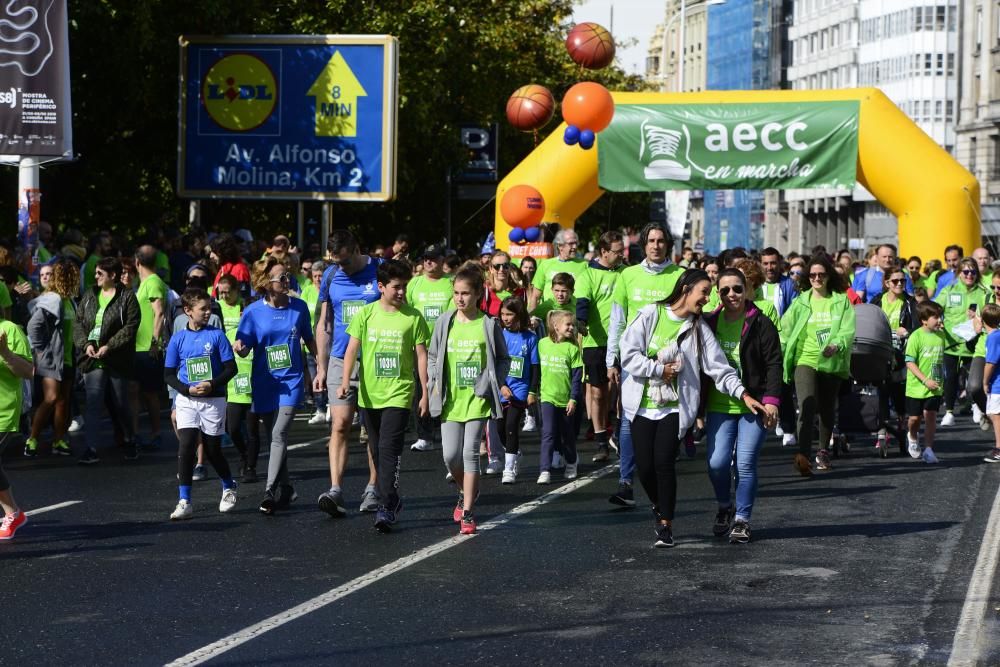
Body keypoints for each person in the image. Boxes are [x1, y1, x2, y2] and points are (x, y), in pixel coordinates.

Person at [620, 269, 765, 548]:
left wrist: (743, 393)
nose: (707, 299)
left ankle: (666, 525)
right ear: (686, 289)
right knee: (645, 467)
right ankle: (658, 505)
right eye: (704, 293)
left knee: (663, 463)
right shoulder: (651, 314)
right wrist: (659, 369)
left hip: (676, 408)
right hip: (641, 406)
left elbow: (720, 369)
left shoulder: (699, 329)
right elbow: (628, 354)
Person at [339, 260, 430, 532]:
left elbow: (421, 356)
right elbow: (352, 350)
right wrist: (346, 381)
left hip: (399, 394)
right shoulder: (365, 314)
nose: (402, 292)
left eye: (405, 287)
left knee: (389, 450)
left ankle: (386, 506)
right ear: (381, 287)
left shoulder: (413, 317)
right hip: (369, 395)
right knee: (376, 450)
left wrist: (424, 392)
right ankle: (392, 499)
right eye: (396, 287)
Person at [427, 264, 511, 535]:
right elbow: (432, 356)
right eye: (456, 293)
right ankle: (466, 492)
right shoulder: (445, 321)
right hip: (450, 399)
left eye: (465, 293)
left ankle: (468, 512)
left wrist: (492, 382)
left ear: (477, 294)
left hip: (477, 399)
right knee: (451, 456)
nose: (460, 298)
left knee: (470, 454)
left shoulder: (488, 324)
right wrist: (432, 380)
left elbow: (503, 359)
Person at [605, 223, 685, 508]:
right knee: (629, 419)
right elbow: (618, 319)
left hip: (670, 362)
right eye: (651, 240)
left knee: (666, 420)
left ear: (668, 245)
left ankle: (661, 474)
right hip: (634, 361)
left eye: (661, 241)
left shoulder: (680, 275)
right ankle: (626, 482)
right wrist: (611, 358)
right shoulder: (628, 275)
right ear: (643, 244)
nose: (656, 245)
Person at [703, 269, 782, 544]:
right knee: (716, 463)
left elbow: (774, 363)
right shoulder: (709, 323)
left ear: (746, 289)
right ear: (717, 293)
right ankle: (725, 506)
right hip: (718, 405)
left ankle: (742, 520)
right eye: (725, 290)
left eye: (737, 289)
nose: (732, 295)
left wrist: (772, 402)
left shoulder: (760, 322)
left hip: (754, 405)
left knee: (745, 463)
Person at [234, 259, 317, 514]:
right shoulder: (252, 312)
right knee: (274, 439)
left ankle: (269, 491)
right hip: (265, 381)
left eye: (288, 276)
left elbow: (310, 340)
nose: (287, 281)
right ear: (266, 284)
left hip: (291, 381)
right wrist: (241, 347)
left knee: (279, 434)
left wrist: (320, 370)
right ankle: (288, 487)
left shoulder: (299, 308)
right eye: (281, 277)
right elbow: (245, 345)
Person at [312, 230, 382, 516]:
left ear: (356, 249)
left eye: (345, 261)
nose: (341, 267)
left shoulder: (380, 269)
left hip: (375, 359)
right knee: (340, 424)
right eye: (335, 262)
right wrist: (321, 366)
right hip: (342, 358)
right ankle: (336, 489)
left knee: (372, 430)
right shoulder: (330, 276)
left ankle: (374, 487)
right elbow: (324, 324)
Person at [164, 289, 239, 520]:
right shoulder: (178, 339)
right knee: (186, 446)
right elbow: (168, 374)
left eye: (209, 308)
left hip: (213, 400)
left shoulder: (216, 336)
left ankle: (228, 485)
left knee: (213, 450)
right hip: (187, 399)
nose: (208, 312)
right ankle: (184, 501)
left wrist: (212, 384)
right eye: (203, 309)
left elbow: (231, 368)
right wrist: (186, 389)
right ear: (188, 311)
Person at [780, 254, 856, 475]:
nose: (816, 278)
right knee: (807, 404)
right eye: (812, 275)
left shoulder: (840, 301)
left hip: (831, 360)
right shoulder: (801, 301)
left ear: (829, 276)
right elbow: (785, 330)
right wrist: (777, 354)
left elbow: (848, 330)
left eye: (821, 274)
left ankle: (823, 450)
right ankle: (803, 455)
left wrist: (836, 344)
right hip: (805, 359)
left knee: (826, 407)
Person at [74, 257, 140, 463]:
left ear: (112, 275)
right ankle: (91, 448)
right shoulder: (89, 295)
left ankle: (130, 439)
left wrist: (109, 346)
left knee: (121, 403)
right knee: (93, 402)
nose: (95, 277)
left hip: (116, 358)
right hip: (92, 358)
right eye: (95, 273)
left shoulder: (127, 296)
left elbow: (130, 327)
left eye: (99, 274)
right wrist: (86, 344)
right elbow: (78, 324)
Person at [24, 259, 78, 457]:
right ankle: (32, 439)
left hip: (68, 359)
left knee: (63, 401)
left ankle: (58, 440)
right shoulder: (53, 299)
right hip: (50, 359)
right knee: (51, 397)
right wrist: (39, 350)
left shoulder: (69, 300)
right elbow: (33, 326)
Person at [580, 231, 625, 463]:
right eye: (618, 252)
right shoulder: (587, 274)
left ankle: (617, 434)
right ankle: (600, 441)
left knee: (620, 391)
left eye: (623, 250)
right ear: (604, 252)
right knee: (598, 393)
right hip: (595, 342)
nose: (622, 255)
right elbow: (582, 303)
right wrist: (581, 321)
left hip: (622, 342)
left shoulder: (626, 272)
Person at [407, 244, 453, 452]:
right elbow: (406, 312)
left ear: (443, 261)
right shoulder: (414, 284)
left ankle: (444, 427)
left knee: (445, 387)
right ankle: (424, 435)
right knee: (421, 387)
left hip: (445, 345)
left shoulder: (450, 284)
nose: (428, 262)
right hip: (420, 346)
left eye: (433, 258)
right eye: (425, 258)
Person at [216, 274, 261, 483]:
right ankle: (244, 454)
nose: (224, 295)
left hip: (255, 387)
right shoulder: (225, 323)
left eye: (228, 291)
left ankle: (250, 467)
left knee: (252, 430)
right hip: (234, 385)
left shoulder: (260, 333)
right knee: (232, 429)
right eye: (221, 291)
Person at [934, 257, 987, 426]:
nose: (969, 275)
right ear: (959, 273)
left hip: (974, 344)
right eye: (965, 271)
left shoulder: (983, 292)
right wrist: (937, 320)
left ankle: (977, 406)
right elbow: (935, 307)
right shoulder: (949, 290)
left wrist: (979, 317)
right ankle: (949, 412)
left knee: (975, 381)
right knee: (950, 379)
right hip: (952, 343)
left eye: (972, 271)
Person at [871, 267, 919, 452]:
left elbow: (917, 328)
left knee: (897, 389)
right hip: (880, 351)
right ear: (887, 283)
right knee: (882, 388)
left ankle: (900, 422)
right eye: (895, 281)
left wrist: (906, 332)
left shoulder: (910, 302)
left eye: (903, 281)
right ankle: (882, 429)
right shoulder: (877, 300)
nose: (899, 284)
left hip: (901, 352)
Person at [536, 310, 583, 484]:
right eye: (568, 324)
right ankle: (544, 470)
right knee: (548, 433)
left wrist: (573, 399)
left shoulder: (573, 348)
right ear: (556, 326)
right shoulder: (542, 344)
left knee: (567, 434)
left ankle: (571, 462)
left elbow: (577, 376)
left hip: (566, 400)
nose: (571, 327)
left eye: (573, 325)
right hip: (547, 397)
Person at [496, 297, 539, 484]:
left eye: (510, 314)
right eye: (503, 314)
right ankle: (514, 452)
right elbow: (494, 364)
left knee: (512, 425)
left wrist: (532, 391)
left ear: (519, 315)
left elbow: (536, 367)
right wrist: (501, 385)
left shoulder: (530, 338)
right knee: (500, 429)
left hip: (520, 389)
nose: (505, 318)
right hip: (502, 386)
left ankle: (508, 469)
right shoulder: (499, 335)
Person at [0, 316, 33, 539]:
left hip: (3, 411)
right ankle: (13, 513)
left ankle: (13, 513)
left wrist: (6, 353)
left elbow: (28, 371)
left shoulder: (9, 329)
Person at [132, 245, 168, 450]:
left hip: (148, 348)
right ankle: (135, 434)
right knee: (136, 391)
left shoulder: (153, 282)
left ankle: (155, 433)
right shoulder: (145, 283)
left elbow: (159, 312)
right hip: (138, 347)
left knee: (150, 393)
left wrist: (155, 342)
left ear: (137, 262)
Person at [904, 301, 946, 463]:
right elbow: (910, 362)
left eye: (939, 316)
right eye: (935, 317)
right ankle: (913, 437)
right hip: (916, 387)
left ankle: (929, 449)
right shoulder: (916, 336)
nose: (939, 320)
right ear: (924, 320)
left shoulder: (941, 335)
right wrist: (925, 380)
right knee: (915, 419)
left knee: (930, 416)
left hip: (935, 386)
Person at [528, 228, 590, 312]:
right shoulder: (545, 264)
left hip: (572, 318)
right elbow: (535, 296)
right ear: (560, 246)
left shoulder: (585, 265)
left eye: (576, 243)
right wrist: (532, 316)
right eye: (571, 243)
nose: (575, 247)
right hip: (548, 316)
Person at [299, 261, 329, 425]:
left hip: (327, 340)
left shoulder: (329, 291)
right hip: (310, 341)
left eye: (320, 276)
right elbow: (302, 314)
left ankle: (330, 406)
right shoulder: (307, 291)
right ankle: (320, 409)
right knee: (313, 374)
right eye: (315, 276)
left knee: (328, 374)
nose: (318, 279)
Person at [981, 304, 1000, 462]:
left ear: (982, 320)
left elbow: (991, 362)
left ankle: (999, 448)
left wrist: (985, 381)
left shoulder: (993, 337)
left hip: (997, 384)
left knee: (995, 415)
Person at [480, 249, 525, 317]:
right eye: (497, 266)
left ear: (509, 268)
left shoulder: (520, 292)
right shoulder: (483, 291)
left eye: (505, 266)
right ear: (491, 269)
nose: (501, 269)